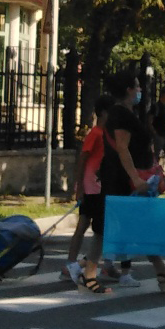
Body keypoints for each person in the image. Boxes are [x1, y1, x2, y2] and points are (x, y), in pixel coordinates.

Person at [88, 69, 165, 294]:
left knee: (134, 226)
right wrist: (135, 177)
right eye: (137, 86)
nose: (140, 90)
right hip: (122, 180)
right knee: (107, 228)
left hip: (125, 179)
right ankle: (87, 275)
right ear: (128, 90)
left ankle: (162, 272)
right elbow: (122, 147)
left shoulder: (125, 112)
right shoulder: (120, 114)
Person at [63, 94, 123, 283]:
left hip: (100, 187)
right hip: (91, 188)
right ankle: (73, 263)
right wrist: (79, 186)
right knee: (85, 226)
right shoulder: (96, 134)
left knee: (97, 226)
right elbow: (83, 158)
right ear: (104, 113)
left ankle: (93, 263)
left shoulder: (107, 135)